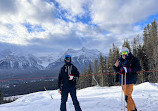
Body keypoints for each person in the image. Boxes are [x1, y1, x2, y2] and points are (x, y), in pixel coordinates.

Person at [113, 47, 141, 111]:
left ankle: (131, 110)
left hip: (130, 80)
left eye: (125, 52)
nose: (124, 54)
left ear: (128, 52)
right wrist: (115, 66)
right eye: (122, 53)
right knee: (128, 97)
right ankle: (134, 109)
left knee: (127, 97)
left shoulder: (133, 59)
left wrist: (129, 69)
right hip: (122, 80)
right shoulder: (120, 60)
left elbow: (138, 68)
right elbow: (117, 70)